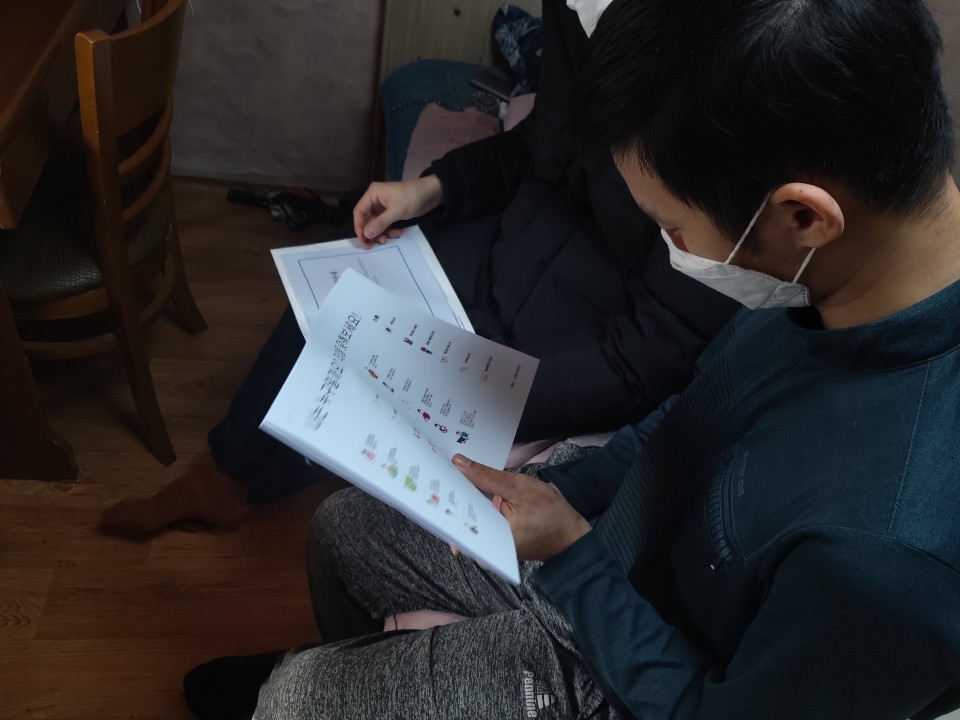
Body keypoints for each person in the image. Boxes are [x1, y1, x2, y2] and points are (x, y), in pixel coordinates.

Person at [186, 0, 960, 717]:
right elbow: (688, 416)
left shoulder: (888, 560)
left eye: (674, 232)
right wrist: (559, 489)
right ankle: (372, 664)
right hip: (623, 556)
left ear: (803, 217)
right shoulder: (821, 278)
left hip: (658, 673)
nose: (674, 252)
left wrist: (572, 556)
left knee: (294, 700)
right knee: (346, 527)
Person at [100, 0, 736, 536]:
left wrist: (479, 389)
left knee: (385, 369)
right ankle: (226, 473)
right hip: (520, 240)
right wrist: (429, 190)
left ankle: (246, 476)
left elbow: (653, 351)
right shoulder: (580, 16)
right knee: (348, 284)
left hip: (587, 332)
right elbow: (541, 145)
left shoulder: (721, 101)